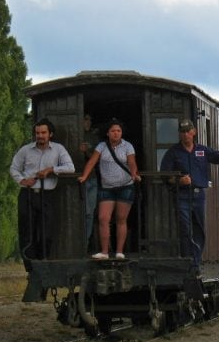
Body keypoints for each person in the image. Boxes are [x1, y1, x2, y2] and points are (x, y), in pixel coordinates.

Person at [159, 119, 219, 272]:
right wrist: (178, 180)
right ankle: (188, 259)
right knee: (184, 227)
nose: (185, 135)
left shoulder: (202, 151)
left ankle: (194, 262)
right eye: (182, 132)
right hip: (182, 194)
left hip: (198, 196)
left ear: (194, 132)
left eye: (188, 131)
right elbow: (164, 174)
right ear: (179, 134)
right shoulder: (173, 152)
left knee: (199, 229)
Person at [10, 118, 75, 271]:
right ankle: (31, 267)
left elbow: (70, 167)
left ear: (50, 134)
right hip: (28, 194)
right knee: (27, 231)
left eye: (43, 133)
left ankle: (43, 263)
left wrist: (51, 170)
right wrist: (22, 181)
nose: (40, 136)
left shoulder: (58, 149)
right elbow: (14, 168)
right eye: (38, 133)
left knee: (46, 232)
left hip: (47, 195)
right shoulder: (25, 150)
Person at [78, 119, 141, 260]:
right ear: (107, 133)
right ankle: (104, 252)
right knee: (103, 218)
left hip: (125, 186)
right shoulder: (101, 146)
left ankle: (119, 251)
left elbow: (131, 162)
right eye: (113, 131)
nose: (116, 133)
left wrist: (134, 173)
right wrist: (84, 176)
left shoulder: (127, 146)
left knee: (121, 219)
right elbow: (92, 161)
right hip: (107, 188)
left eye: (118, 131)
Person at [79, 114, 99, 248]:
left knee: (90, 213)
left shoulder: (94, 138)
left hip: (92, 178)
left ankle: (85, 242)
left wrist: (86, 152)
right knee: (82, 212)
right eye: (85, 119)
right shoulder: (73, 133)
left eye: (89, 119)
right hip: (76, 178)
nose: (88, 122)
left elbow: (97, 158)